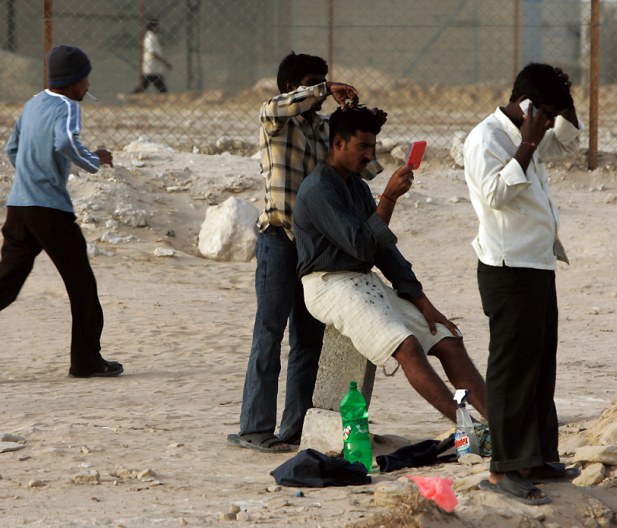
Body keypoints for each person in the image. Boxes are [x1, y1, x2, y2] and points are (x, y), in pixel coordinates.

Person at [0, 44, 123, 382]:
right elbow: (65, 142)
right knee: (82, 286)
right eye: (86, 78)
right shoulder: (67, 106)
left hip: (19, 207)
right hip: (50, 210)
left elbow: (12, 148)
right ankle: (86, 361)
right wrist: (94, 160)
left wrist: (29, 177)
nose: (88, 86)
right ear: (73, 80)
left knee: (6, 284)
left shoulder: (33, 103)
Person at [295, 106, 488, 432]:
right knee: (408, 347)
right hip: (328, 284)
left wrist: (423, 303)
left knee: (447, 339)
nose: (370, 156)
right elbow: (360, 244)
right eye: (363, 147)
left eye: (373, 147)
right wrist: (389, 197)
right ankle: (467, 424)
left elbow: (383, 250)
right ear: (339, 143)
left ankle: (500, 424)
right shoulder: (318, 190)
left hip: (361, 280)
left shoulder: (354, 185)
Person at [227, 52, 377, 453]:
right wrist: (324, 90)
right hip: (278, 240)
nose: (320, 93)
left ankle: (293, 427)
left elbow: (364, 165)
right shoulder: (274, 119)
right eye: (312, 83)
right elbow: (284, 104)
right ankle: (254, 427)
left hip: (311, 247)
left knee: (308, 341)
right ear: (292, 86)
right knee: (269, 334)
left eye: (322, 83)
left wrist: (356, 119)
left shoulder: (325, 129)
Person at [463, 63, 582, 505]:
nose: (551, 122)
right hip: (507, 268)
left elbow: (569, 142)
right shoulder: (487, 139)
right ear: (528, 106)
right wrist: (528, 143)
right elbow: (494, 194)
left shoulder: (531, 132)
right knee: (512, 372)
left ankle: (537, 458)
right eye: (546, 113)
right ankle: (503, 471)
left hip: (537, 264)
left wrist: (561, 112)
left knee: (538, 366)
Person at [132, 17, 172, 93]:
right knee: (160, 88)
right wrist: (165, 62)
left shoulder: (153, 37)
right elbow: (153, 53)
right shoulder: (149, 38)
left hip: (154, 67)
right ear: (153, 27)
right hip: (151, 67)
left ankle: (132, 96)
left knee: (145, 85)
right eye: (157, 26)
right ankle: (132, 97)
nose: (159, 28)